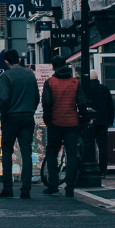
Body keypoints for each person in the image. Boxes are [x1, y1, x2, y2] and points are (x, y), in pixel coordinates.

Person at [0, 49, 40, 199]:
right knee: (26, 152)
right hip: (27, 116)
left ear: (6, 62)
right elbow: (37, 97)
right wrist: (30, 110)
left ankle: (8, 188)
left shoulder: (6, 76)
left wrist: (4, 116)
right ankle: (26, 189)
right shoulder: (30, 74)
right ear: (19, 60)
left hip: (11, 117)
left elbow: (4, 99)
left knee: (7, 152)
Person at [40, 57, 84, 197]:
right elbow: (81, 103)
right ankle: (70, 187)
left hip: (55, 123)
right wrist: (83, 119)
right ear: (65, 65)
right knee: (72, 155)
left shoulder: (50, 82)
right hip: (72, 123)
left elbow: (46, 103)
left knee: (52, 153)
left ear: (53, 67)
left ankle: (53, 184)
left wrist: (48, 120)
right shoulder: (75, 82)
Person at [79, 65, 114, 176]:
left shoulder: (85, 89)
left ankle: (88, 165)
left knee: (88, 144)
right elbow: (110, 106)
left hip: (89, 121)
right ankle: (103, 168)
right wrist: (110, 120)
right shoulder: (105, 89)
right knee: (103, 146)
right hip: (103, 121)